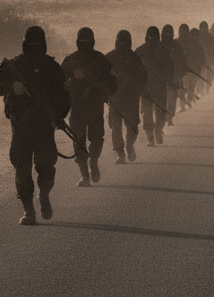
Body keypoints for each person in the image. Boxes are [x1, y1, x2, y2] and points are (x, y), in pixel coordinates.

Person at [0, 26, 71, 225]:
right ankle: (29, 210)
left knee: (46, 167)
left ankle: (44, 196)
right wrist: (12, 86)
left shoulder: (52, 67)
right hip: (20, 127)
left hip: (44, 127)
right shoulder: (13, 64)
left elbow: (64, 98)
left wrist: (58, 117)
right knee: (22, 168)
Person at [61, 27, 118, 185]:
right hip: (80, 106)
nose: (85, 43)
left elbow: (112, 82)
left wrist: (104, 91)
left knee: (92, 138)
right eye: (83, 40)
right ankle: (86, 172)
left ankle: (91, 165)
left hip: (92, 106)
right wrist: (72, 75)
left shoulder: (99, 59)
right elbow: (58, 81)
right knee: (82, 139)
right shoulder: (72, 61)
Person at [106, 29, 149, 163]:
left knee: (133, 124)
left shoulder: (135, 58)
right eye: (121, 41)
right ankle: (120, 153)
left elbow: (143, 76)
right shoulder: (109, 57)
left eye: (125, 41)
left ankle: (129, 144)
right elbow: (102, 76)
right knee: (116, 125)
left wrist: (141, 88)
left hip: (132, 96)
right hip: (115, 96)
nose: (123, 44)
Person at [135, 26, 175, 146]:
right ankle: (155, 134)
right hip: (156, 87)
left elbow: (134, 70)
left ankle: (153, 136)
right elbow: (170, 69)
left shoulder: (140, 50)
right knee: (158, 112)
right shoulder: (164, 50)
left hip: (148, 88)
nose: (152, 38)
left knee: (150, 113)